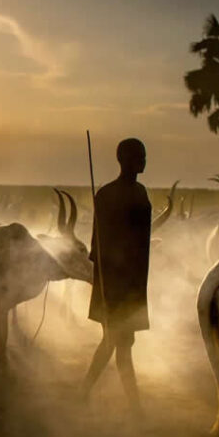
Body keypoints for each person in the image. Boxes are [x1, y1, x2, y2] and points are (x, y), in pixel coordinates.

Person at [81, 137, 151, 412]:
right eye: (140, 156)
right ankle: (134, 407)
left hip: (133, 283)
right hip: (114, 284)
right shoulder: (106, 195)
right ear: (125, 159)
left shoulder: (141, 192)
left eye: (144, 156)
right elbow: (97, 247)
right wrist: (107, 286)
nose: (144, 161)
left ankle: (86, 393)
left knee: (119, 344)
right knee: (116, 343)